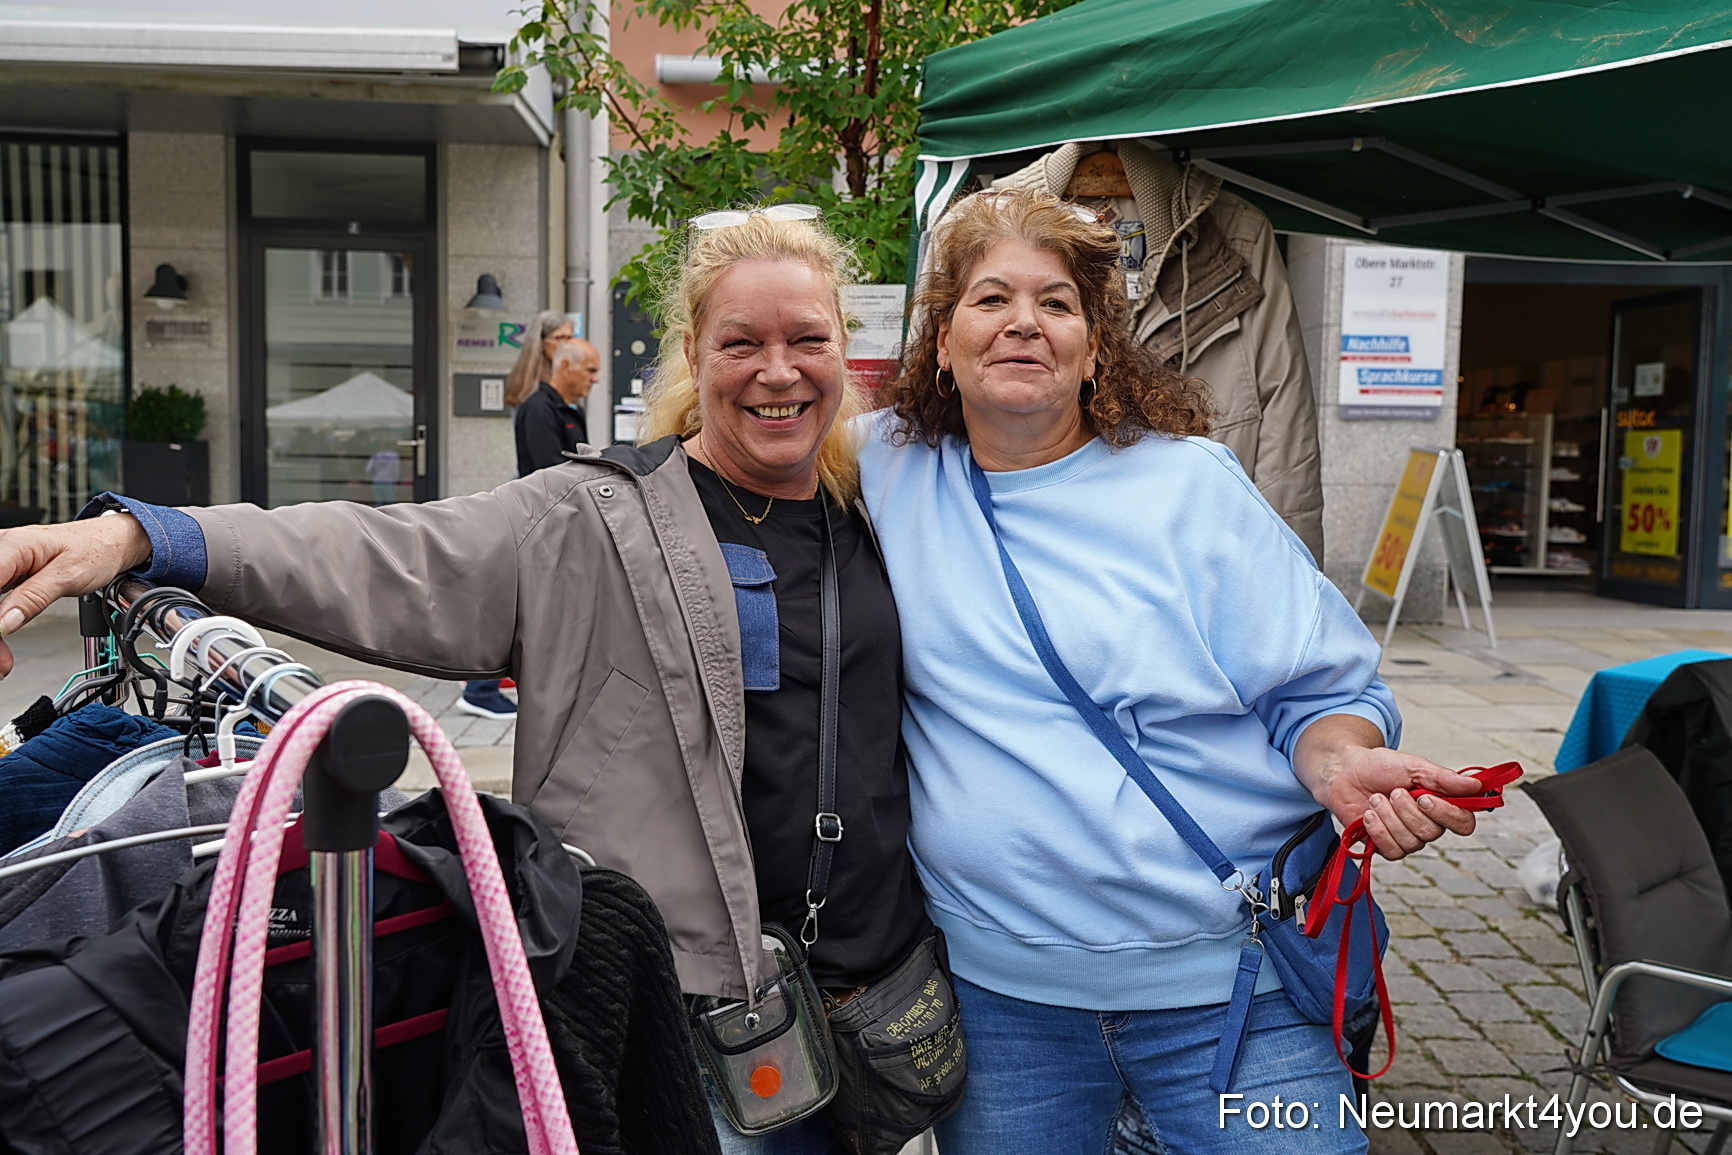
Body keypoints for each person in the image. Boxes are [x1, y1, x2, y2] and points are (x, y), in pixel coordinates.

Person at [0, 210, 926, 1155]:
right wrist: (148, 536)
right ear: (693, 352)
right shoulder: (594, 519)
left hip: (869, 1004)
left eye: (807, 338)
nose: (779, 370)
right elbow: (380, 552)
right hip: (683, 1018)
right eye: (743, 342)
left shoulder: (881, 507)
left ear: (843, 350)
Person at [857, 186, 1481, 1154]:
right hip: (1000, 1008)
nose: (1023, 322)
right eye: (989, 299)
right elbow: (734, 444)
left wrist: (1337, 766)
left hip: (1232, 994)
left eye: (1055, 304)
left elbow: (1320, 694)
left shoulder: (1187, 486)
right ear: (939, 341)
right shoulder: (883, 469)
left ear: (1095, 347)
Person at [462, 312, 582, 719]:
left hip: (537, 504)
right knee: (519, 599)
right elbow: (542, 465)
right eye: (560, 337)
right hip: (533, 507)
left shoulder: (556, 392)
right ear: (544, 344)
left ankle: (499, 680)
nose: (566, 342)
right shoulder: (538, 399)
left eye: (571, 336)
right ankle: (479, 687)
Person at [514, 338, 601, 477]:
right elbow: (550, 470)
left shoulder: (574, 410)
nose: (596, 379)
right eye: (590, 371)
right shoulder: (539, 408)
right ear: (566, 367)